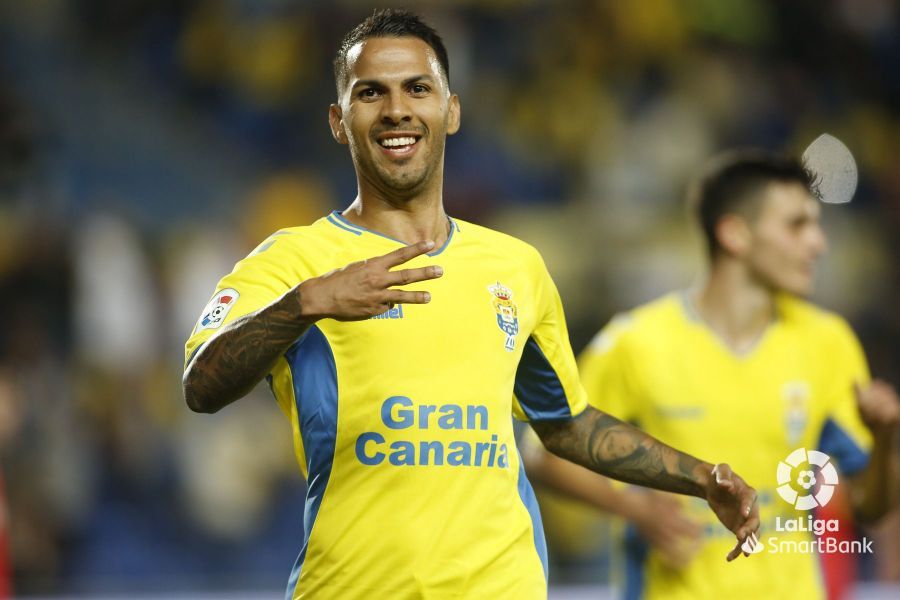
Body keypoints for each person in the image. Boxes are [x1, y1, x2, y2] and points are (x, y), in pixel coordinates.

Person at [182, 10, 760, 599]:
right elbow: (200, 385)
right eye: (370, 93)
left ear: (451, 110)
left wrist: (701, 477)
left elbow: (567, 424)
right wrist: (306, 303)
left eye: (418, 88)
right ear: (338, 120)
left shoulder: (516, 266)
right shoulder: (294, 260)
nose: (396, 109)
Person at [524, 150, 900, 599]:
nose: (818, 243)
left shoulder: (828, 342)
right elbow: (544, 452)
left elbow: (870, 506)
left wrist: (884, 440)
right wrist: (633, 507)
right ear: (734, 234)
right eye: (797, 225)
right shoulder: (637, 341)